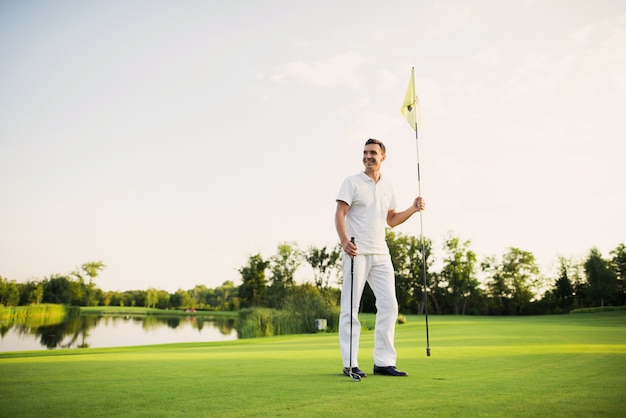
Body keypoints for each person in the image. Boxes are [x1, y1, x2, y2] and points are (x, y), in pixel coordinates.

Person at [335, 138, 425, 378]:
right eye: (365, 152)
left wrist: (413, 209)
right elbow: (340, 214)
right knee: (350, 307)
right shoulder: (351, 183)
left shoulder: (388, 186)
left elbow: (392, 220)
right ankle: (350, 363)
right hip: (357, 251)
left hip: (381, 253)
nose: (368, 156)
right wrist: (345, 241)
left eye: (373, 153)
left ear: (383, 157)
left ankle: (384, 362)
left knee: (389, 305)